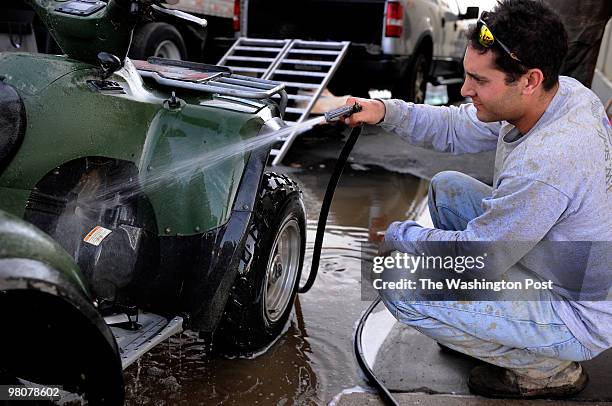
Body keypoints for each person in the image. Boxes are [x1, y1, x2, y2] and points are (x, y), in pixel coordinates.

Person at [344, 0, 612, 399]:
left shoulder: (550, 159)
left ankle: (546, 368)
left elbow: (476, 257)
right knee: (449, 189)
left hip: (577, 311)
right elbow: (455, 126)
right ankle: (496, 330)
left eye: (478, 80)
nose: (465, 89)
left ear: (529, 80)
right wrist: (385, 111)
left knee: (398, 282)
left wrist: (400, 235)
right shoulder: (562, 93)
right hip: (567, 260)